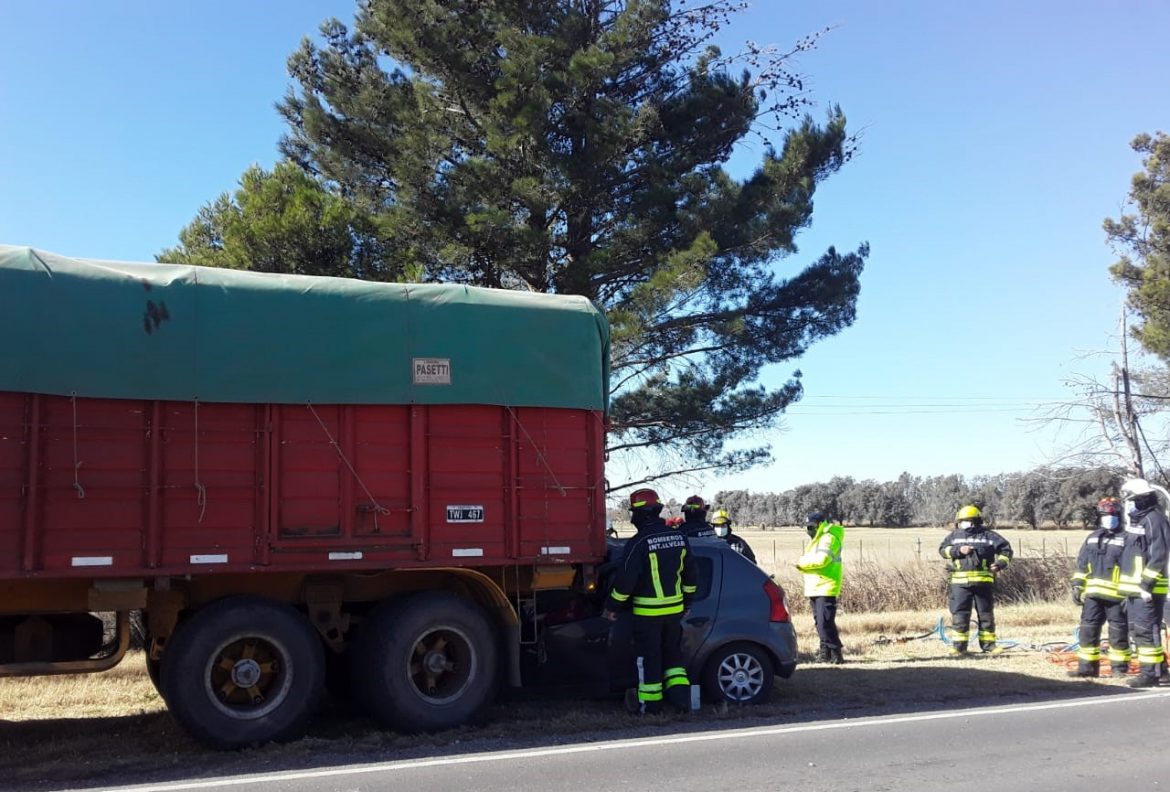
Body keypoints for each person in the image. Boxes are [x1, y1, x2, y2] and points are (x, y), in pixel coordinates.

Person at [603, 488, 698, 713]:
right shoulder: (679, 538)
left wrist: (612, 607)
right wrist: (687, 603)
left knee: (649, 659)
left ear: (641, 513)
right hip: (674, 613)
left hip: (648, 615)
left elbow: (626, 582)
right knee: (674, 658)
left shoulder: (638, 542)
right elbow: (691, 576)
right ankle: (681, 701)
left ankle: (650, 705)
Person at [938, 505, 1013, 656]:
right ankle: (959, 648)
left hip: (983, 583)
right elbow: (942, 550)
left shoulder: (989, 536)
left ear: (975, 521)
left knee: (986, 615)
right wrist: (958, 550)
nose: (963, 523)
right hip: (960, 585)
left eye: (966, 521)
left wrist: (1000, 564)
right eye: (961, 521)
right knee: (960, 615)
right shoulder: (955, 536)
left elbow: (1006, 551)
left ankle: (989, 646)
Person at [1068, 497, 1131, 677]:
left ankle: (1119, 669)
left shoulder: (1126, 538)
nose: (1108, 517)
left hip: (1118, 596)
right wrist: (1077, 585)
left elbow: (1131, 567)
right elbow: (1082, 564)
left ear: (1119, 514)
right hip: (1093, 595)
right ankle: (1086, 668)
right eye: (1104, 514)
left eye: (1111, 514)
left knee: (1118, 633)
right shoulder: (1093, 538)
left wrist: (1128, 593)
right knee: (1088, 630)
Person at [1118, 478, 1170, 688]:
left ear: (1142, 499)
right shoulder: (1138, 521)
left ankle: (1150, 674)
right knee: (1142, 630)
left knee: (1146, 631)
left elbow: (1159, 554)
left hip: (1147, 589)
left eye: (1132, 500)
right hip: (1135, 590)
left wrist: (1146, 584)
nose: (1130, 504)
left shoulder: (1154, 520)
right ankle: (1161, 672)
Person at [796, 511, 845, 663]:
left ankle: (836, 653)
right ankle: (825, 653)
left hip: (826, 585)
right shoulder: (817, 540)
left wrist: (802, 564)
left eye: (811, 526)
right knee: (820, 623)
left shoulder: (828, 538)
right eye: (807, 527)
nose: (808, 529)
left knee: (825, 623)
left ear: (820, 524)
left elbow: (822, 560)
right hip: (815, 587)